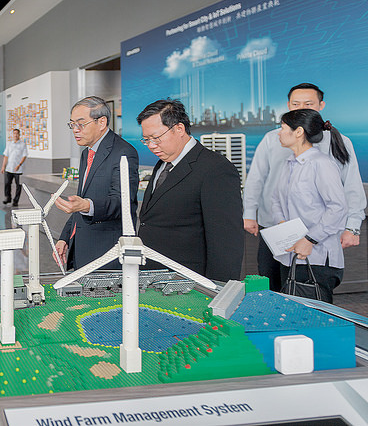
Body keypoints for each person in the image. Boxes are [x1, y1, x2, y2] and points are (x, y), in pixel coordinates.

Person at [243, 83, 366, 291]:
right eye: (295, 104)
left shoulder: (335, 144)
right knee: (273, 284)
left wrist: (352, 226)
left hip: (317, 231)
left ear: (321, 105)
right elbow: (257, 179)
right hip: (276, 227)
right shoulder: (274, 140)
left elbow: (350, 187)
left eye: (308, 104)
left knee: (308, 287)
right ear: (288, 105)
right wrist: (250, 214)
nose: (301, 108)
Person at [137, 99, 244, 282]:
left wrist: (218, 289)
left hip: (189, 281)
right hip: (153, 276)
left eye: (156, 138)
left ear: (179, 129)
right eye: (146, 140)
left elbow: (226, 242)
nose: (152, 145)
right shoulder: (163, 163)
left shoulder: (215, 168)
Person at [54, 96, 139, 270]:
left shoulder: (123, 152)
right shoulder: (87, 153)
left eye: (81, 124)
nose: (75, 130)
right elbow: (81, 200)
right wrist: (65, 237)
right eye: (72, 124)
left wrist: (87, 205)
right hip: (82, 246)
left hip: (105, 251)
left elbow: (121, 202)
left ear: (101, 122)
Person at [271, 109, 347, 303]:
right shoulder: (288, 163)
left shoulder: (321, 164)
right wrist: (282, 224)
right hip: (290, 257)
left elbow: (338, 208)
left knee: (314, 316)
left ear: (298, 132)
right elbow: (276, 200)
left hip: (318, 258)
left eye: (282, 128)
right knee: (291, 313)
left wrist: (310, 239)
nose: (279, 133)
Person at [1, 128, 28, 206]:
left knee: (18, 185)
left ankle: (16, 201)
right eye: (14, 133)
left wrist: (19, 165)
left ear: (19, 135)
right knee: (7, 184)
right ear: (12, 134)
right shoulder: (9, 144)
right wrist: (3, 166)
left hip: (18, 169)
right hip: (9, 168)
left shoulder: (23, 144)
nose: (15, 135)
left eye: (17, 133)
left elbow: (24, 156)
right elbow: (6, 156)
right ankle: (8, 198)